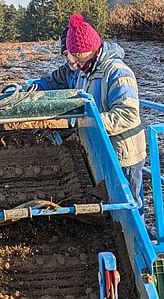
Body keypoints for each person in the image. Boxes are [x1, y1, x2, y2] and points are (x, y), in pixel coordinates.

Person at [34, 14, 147, 218]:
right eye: (69, 54)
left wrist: (82, 123)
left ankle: (139, 237)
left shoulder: (118, 73)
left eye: (76, 53)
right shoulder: (84, 72)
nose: (71, 59)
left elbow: (127, 115)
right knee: (111, 206)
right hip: (100, 150)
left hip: (122, 153)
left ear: (91, 49)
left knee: (130, 209)